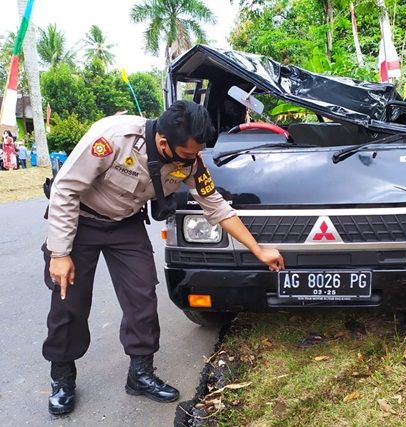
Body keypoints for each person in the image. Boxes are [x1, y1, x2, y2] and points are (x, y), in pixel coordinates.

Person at [42, 100, 285, 416]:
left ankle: (140, 374)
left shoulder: (190, 158)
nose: (193, 162)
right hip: (81, 221)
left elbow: (217, 207)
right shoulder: (113, 138)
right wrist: (59, 253)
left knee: (142, 295)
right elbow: (65, 189)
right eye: (187, 155)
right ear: (162, 142)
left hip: (125, 223)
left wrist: (258, 249)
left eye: (197, 154)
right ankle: (62, 378)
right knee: (68, 301)